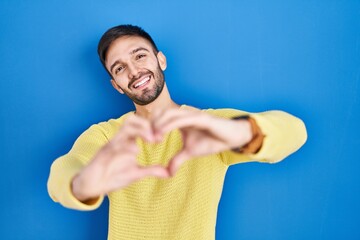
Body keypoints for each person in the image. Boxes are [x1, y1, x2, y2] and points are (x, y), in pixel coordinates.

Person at [47, 24, 307, 240]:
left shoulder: (207, 125)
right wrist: (84, 183)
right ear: (116, 86)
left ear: (161, 59)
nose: (134, 71)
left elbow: (295, 132)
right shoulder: (107, 136)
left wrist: (237, 134)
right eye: (120, 68)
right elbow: (62, 173)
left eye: (139, 56)